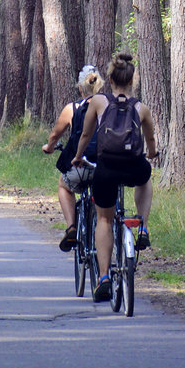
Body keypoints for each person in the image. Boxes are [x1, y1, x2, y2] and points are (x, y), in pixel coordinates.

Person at [71, 51, 157, 302]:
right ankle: (141, 223)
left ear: (109, 79)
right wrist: (151, 153)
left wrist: (77, 157)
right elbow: (150, 141)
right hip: (133, 166)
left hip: (106, 168)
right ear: (132, 81)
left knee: (104, 221)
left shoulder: (98, 102)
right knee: (145, 177)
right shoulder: (141, 108)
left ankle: (104, 276)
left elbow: (86, 136)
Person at [42, 65, 104, 250]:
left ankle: (71, 227)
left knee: (63, 184)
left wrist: (49, 147)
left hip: (81, 165)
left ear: (80, 88)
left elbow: (54, 136)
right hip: (105, 166)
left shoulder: (73, 108)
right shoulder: (108, 106)